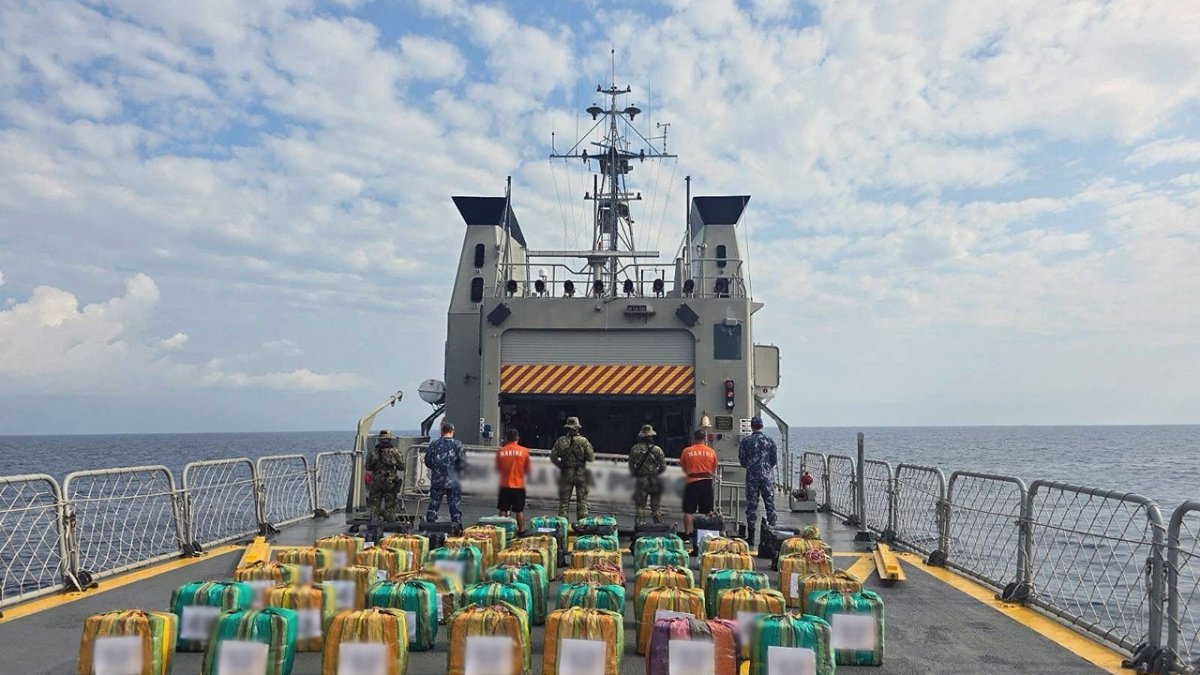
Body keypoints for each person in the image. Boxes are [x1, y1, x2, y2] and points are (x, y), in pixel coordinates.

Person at [738, 416, 778, 545]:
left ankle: (751, 537)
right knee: (770, 505)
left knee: (751, 505)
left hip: (752, 477)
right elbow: (774, 460)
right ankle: (773, 534)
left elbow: (742, 460)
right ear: (762, 426)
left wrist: (750, 466)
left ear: (752, 426)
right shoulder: (769, 441)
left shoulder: (746, 441)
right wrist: (765, 468)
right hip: (767, 477)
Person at [549, 416, 594, 521]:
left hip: (566, 473)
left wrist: (561, 464)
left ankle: (562, 528)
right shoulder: (584, 441)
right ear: (577, 428)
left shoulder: (561, 440)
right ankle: (582, 527)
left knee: (564, 503)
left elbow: (553, 457)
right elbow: (590, 458)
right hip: (581, 473)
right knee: (582, 502)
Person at [679, 428, 718, 543]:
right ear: (705, 438)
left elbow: (683, 466)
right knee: (707, 511)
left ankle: (686, 535)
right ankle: (706, 535)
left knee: (688, 510)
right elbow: (714, 467)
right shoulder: (711, 452)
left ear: (694, 438)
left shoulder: (687, 451)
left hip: (691, 482)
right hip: (706, 482)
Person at [424, 421, 467, 524]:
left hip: (437, 480)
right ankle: (456, 526)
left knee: (434, 505)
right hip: (453, 481)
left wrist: (436, 469)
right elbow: (463, 463)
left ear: (442, 431)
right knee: (454, 506)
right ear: (452, 431)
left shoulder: (434, 444)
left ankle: (430, 527)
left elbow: (428, 461)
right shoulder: (457, 444)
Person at [627, 424, 666, 525]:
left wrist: (637, 474)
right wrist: (656, 473)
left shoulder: (634, 449)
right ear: (651, 436)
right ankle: (658, 527)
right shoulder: (657, 450)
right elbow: (663, 467)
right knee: (656, 507)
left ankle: (640, 526)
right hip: (655, 481)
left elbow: (631, 467)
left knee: (640, 506)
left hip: (641, 480)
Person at [495, 427, 530, 532]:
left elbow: (498, 468)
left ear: (506, 439)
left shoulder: (500, 451)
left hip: (504, 484)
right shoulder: (524, 451)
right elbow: (527, 469)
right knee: (519, 510)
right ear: (517, 438)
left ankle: (502, 532)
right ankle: (521, 531)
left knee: (503, 509)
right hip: (519, 485)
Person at [366, 430, 404, 522]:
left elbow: (368, 467)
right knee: (390, 506)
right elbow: (402, 467)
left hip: (376, 483)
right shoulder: (395, 452)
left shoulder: (373, 453)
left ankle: (374, 524)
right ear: (390, 439)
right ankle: (390, 524)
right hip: (390, 484)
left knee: (374, 505)